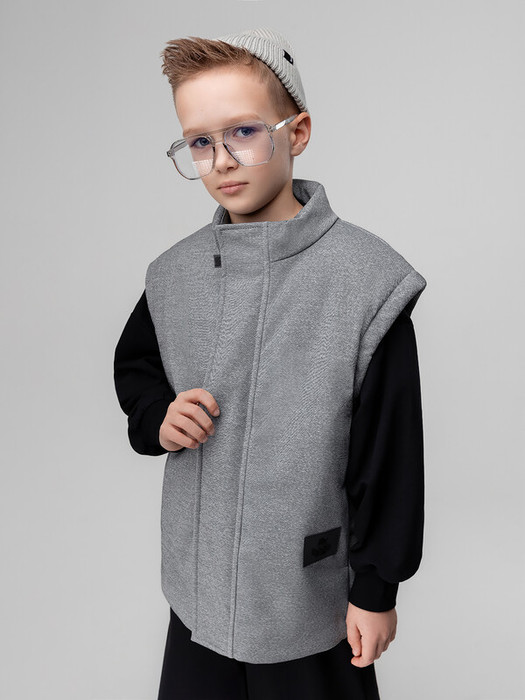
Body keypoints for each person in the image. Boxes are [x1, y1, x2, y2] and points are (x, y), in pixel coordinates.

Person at [113, 27, 427, 700]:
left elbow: (390, 453)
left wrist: (376, 589)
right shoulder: (173, 275)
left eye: (244, 132)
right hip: (197, 592)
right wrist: (157, 415)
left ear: (297, 132)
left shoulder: (367, 281)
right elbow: (136, 369)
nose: (222, 160)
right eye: (200, 142)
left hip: (305, 596)